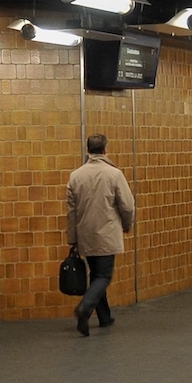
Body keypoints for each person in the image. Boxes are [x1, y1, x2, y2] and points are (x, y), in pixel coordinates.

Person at [66, 133, 135, 336]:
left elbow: (71, 212)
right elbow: (128, 205)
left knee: (96, 275)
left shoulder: (75, 176)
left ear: (88, 150)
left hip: (85, 234)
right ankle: (84, 309)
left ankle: (105, 317)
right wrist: (127, 225)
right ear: (105, 150)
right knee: (104, 276)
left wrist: (72, 238)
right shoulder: (114, 174)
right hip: (106, 233)